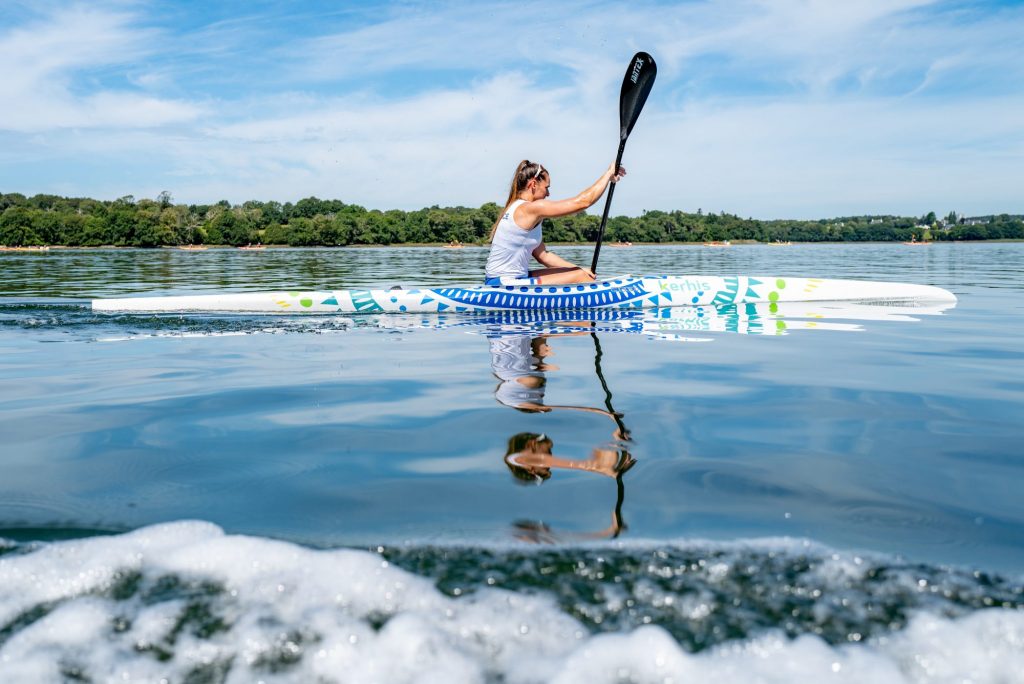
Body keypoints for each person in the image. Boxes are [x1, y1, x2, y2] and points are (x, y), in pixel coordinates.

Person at [484, 160, 626, 286]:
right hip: (503, 283)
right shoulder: (529, 208)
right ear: (533, 184)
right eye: (547, 188)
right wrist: (607, 175)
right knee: (580, 277)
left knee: (578, 273)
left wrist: (578, 269)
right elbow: (583, 202)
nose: (548, 194)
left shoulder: (520, 209)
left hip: (511, 278)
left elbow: (543, 255)